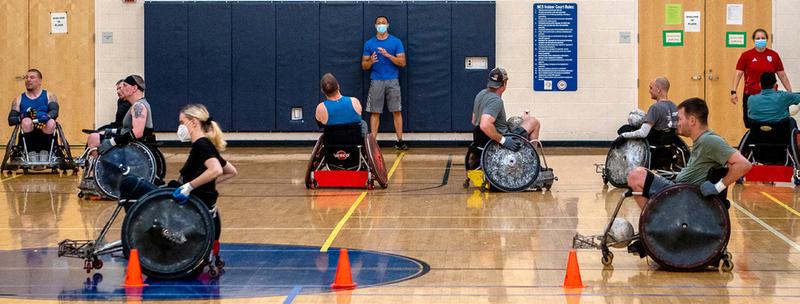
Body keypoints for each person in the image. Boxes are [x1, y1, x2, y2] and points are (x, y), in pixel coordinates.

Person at [120, 104, 237, 244]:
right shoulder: (206, 145)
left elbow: (216, 170)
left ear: (194, 123)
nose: (180, 127)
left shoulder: (202, 145)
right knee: (147, 184)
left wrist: (190, 187)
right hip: (185, 200)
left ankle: (137, 235)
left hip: (182, 206)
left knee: (129, 183)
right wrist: (201, 184)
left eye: (182, 123)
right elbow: (231, 171)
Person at [626, 98, 752, 209]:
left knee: (635, 176)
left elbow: (744, 164)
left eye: (680, 119)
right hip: (681, 189)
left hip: (685, 195)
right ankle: (655, 224)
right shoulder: (701, 141)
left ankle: (655, 225)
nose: (677, 123)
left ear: (692, 120)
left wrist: (718, 187)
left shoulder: (710, 140)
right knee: (642, 171)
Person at [362, 15, 407, 150]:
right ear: (375, 25)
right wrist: (371, 61)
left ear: (388, 25)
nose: (381, 25)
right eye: (378, 23)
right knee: (375, 112)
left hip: (393, 81)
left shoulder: (396, 42)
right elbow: (364, 66)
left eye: (383, 23)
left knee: (396, 110)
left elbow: (402, 62)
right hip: (376, 81)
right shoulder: (369, 44)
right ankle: (373, 143)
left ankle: (400, 141)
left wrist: (388, 55)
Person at [731, 29, 792, 127]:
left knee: (772, 123)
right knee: (752, 123)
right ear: (754, 40)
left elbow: (782, 75)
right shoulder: (746, 55)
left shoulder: (774, 55)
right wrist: (733, 91)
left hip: (771, 96)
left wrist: (789, 91)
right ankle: (754, 141)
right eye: (758, 38)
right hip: (752, 95)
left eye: (763, 38)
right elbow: (738, 74)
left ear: (767, 39)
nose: (760, 40)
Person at [471, 67, 541, 152]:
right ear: (504, 84)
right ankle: (532, 159)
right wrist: (503, 141)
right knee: (534, 122)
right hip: (502, 140)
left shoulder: (481, 94)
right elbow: (484, 124)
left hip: (482, 141)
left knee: (522, 119)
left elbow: (474, 120)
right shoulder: (496, 100)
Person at [86, 75, 152, 155]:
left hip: (133, 146)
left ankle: (97, 165)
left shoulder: (139, 106)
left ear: (134, 88)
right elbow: (126, 129)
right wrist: (109, 131)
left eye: (125, 85)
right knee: (95, 135)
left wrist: (112, 142)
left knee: (93, 139)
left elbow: (138, 132)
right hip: (128, 141)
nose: (121, 89)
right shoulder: (136, 105)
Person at [8, 69, 59, 160]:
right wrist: (23, 116)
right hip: (28, 129)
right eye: (26, 77)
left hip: (44, 127)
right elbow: (11, 120)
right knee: (26, 121)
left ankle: (46, 152)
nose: (28, 80)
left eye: (32, 77)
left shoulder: (49, 95)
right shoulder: (18, 99)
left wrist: (47, 116)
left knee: (51, 122)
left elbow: (54, 112)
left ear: (39, 81)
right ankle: (30, 153)